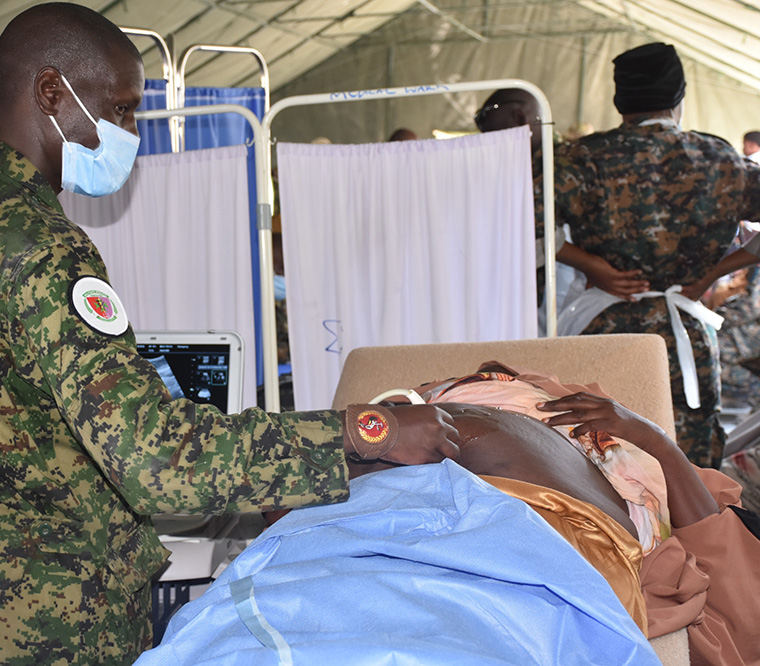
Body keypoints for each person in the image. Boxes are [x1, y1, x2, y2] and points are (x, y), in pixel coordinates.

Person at [0, 4, 461, 664]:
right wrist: (370, 431)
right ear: (52, 92)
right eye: (122, 110)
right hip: (55, 611)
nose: (130, 132)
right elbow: (157, 462)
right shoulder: (40, 246)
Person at [241, 366, 760, 666]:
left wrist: (650, 436)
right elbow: (278, 494)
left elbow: (724, 553)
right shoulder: (424, 404)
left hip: (542, 516)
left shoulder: (598, 427)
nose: (487, 366)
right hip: (412, 481)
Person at [554, 42, 760, 468]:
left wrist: (592, 265)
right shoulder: (720, 158)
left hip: (605, 330)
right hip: (684, 330)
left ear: (619, 100)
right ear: (678, 99)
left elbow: (521, 230)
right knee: (691, 460)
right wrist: (714, 274)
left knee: (602, 455)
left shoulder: (581, 158)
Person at [474, 89, 650, 310]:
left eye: (494, 135)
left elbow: (531, 228)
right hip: (528, 295)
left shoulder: (567, 164)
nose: (490, 144)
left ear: (520, 119)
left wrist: (589, 265)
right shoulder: (513, 167)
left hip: (572, 290)